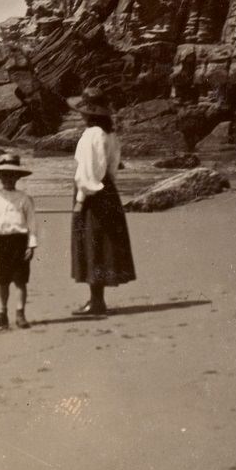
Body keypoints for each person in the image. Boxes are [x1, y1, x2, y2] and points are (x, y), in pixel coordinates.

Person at [68, 87, 136, 315]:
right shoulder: (109, 134)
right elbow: (111, 168)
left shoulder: (92, 135)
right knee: (101, 244)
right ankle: (97, 300)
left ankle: (96, 301)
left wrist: (80, 199)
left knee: (92, 244)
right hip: (107, 191)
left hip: (93, 194)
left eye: (84, 111)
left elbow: (89, 172)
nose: (81, 115)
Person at [0, 153, 39, 329]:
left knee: (21, 281)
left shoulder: (25, 199)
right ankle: (2, 312)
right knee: (3, 281)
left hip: (20, 242)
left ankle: (20, 313)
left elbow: (32, 223)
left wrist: (32, 244)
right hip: (1, 243)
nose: (8, 178)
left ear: (18, 177)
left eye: (12, 175)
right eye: (4, 175)